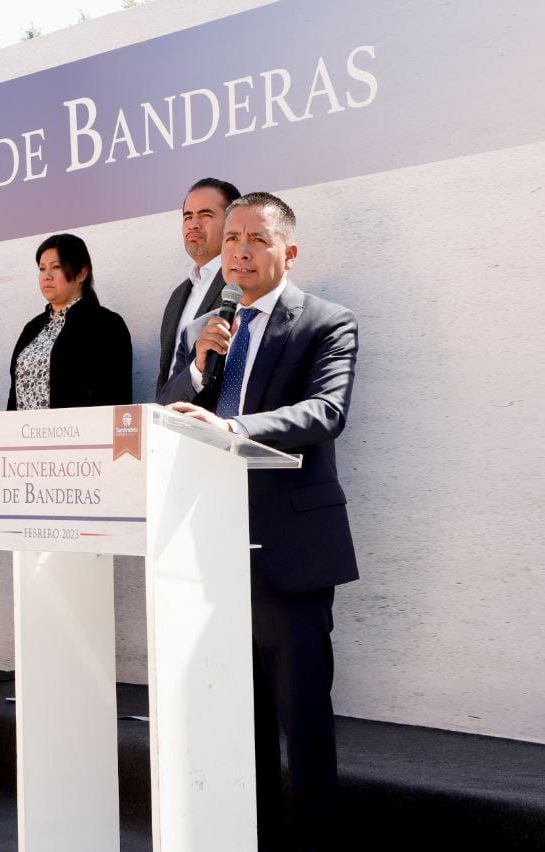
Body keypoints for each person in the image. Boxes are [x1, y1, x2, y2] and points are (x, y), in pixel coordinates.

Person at [158, 192, 359, 851]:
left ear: (287, 251)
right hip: (212, 554)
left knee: (302, 723)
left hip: (290, 552)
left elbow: (325, 413)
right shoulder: (212, 329)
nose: (238, 249)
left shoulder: (324, 323)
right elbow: (172, 413)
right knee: (234, 723)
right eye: (232, 237)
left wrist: (234, 427)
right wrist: (194, 368)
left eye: (256, 239)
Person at [7, 233, 132, 410]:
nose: (46, 276)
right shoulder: (32, 328)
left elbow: (115, 397)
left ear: (82, 273)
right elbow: (14, 393)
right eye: (42, 269)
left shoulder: (106, 325)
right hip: (23, 434)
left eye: (55, 267)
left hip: (78, 434)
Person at [157, 178, 241, 393]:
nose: (193, 224)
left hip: (213, 422)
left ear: (233, 222)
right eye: (188, 217)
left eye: (205, 215)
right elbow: (166, 375)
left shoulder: (241, 284)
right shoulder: (178, 295)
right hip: (169, 418)